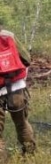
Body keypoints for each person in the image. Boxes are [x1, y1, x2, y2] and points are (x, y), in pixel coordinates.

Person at [0, 22, 36, 157]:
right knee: (21, 124)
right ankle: (30, 157)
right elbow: (26, 59)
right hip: (16, 87)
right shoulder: (8, 36)